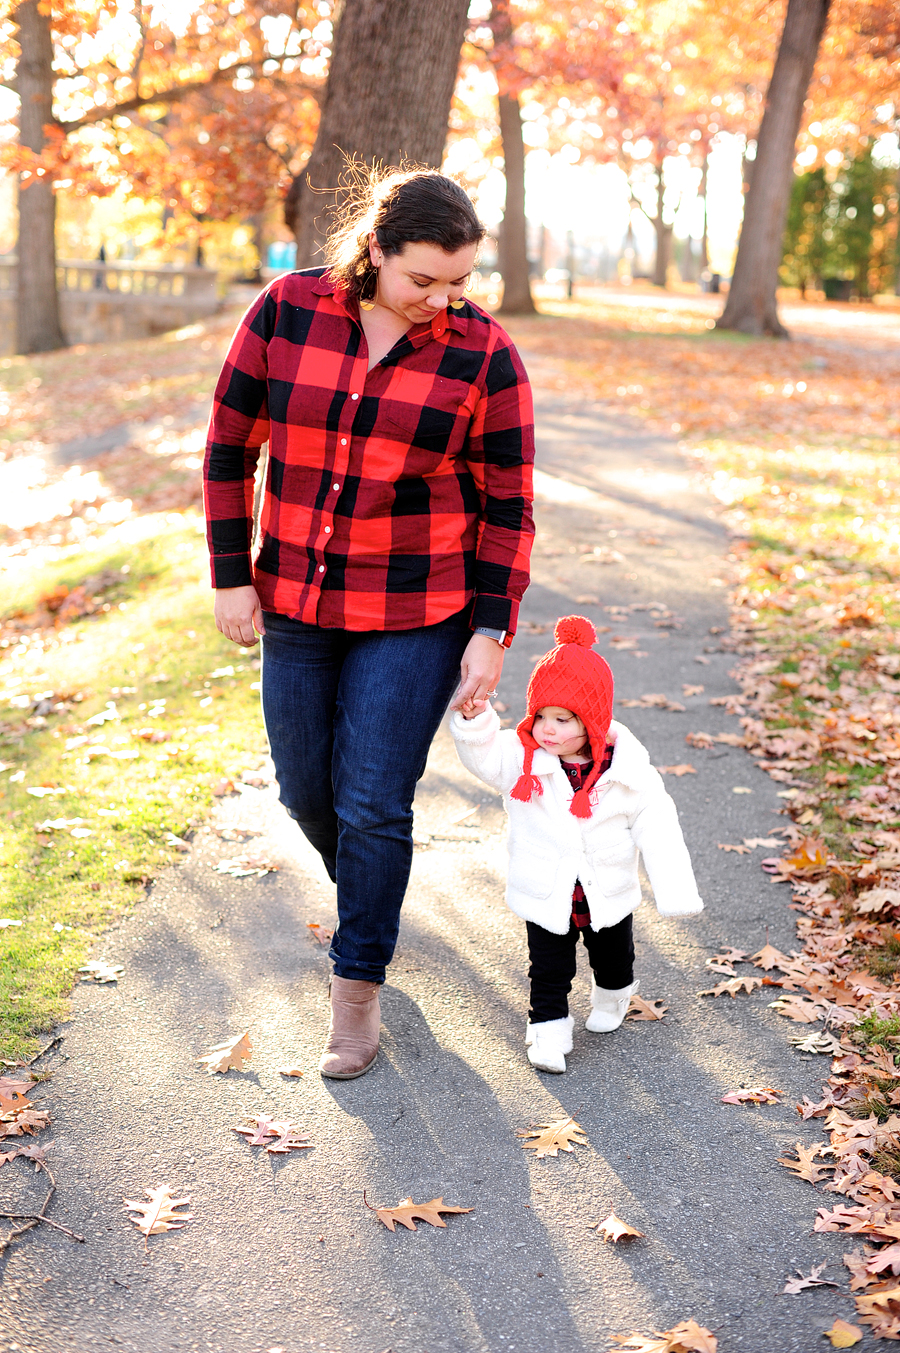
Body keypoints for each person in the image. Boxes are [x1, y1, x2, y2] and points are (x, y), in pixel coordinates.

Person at [203, 167, 535, 1080]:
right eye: (423, 279)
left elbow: (508, 503)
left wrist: (490, 630)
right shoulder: (286, 312)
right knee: (306, 793)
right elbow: (229, 447)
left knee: (374, 802)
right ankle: (371, 907)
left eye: (460, 280)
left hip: (420, 607)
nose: (442, 299)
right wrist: (233, 577)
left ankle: (358, 988)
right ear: (375, 250)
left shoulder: (484, 353)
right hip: (300, 602)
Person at [451, 615, 703, 1074]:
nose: (547, 728)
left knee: (613, 960)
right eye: (541, 715)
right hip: (546, 891)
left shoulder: (626, 772)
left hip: (605, 891)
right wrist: (477, 721)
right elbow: (484, 758)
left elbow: (658, 827)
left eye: (563, 719)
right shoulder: (523, 758)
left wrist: (675, 891)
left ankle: (614, 994)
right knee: (547, 969)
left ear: (591, 719)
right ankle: (548, 1029)